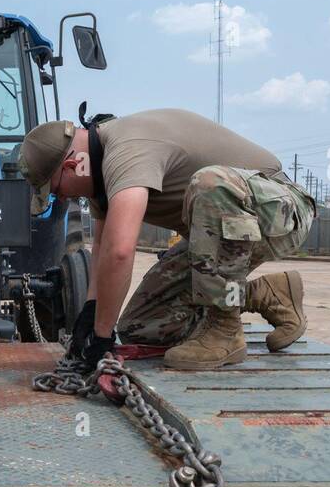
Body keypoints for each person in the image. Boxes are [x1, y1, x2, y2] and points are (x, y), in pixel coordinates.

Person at [20, 108, 314, 370]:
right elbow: (103, 248)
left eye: (56, 189)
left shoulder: (126, 150)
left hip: (279, 211)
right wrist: (91, 315)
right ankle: (268, 294)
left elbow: (121, 251)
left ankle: (224, 331)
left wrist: (101, 338)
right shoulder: (100, 178)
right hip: (220, 235)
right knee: (143, 326)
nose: (61, 197)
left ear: (73, 164)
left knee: (210, 184)